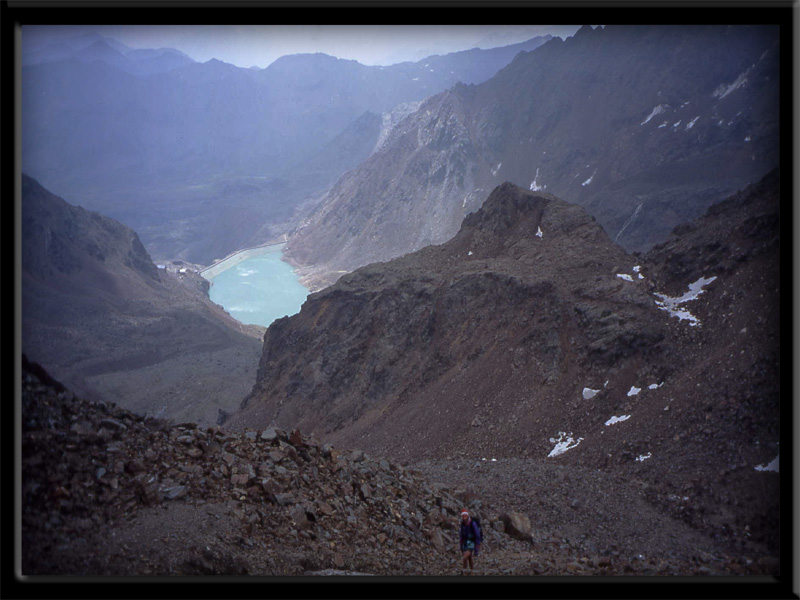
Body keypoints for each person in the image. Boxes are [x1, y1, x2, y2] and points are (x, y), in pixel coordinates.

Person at [459, 509, 481, 574]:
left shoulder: (472, 524)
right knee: (469, 558)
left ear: (467, 516)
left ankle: (464, 571)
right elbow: (461, 536)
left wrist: (477, 547)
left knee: (465, 557)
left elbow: (477, 535)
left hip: (472, 542)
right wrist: (461, 545)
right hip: (466, 542)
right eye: (463, 517)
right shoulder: (462, 525)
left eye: (465, 516)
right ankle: (472, 571)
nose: (464, 518)